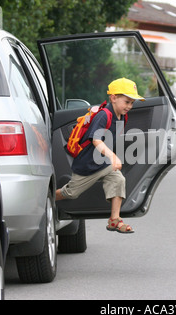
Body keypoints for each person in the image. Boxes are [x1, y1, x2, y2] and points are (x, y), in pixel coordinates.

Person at [55, 78, 144, 234]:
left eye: (132, 103)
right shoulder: (104, 115)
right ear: (114, 98)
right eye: (127, 102)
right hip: (87, 165)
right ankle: (46, 199)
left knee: (118, 179)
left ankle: (114, 220)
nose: (130, 106)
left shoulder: (122, 117)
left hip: (102, 163)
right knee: (71, 193)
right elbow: (96, 140)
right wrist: (113, 157)